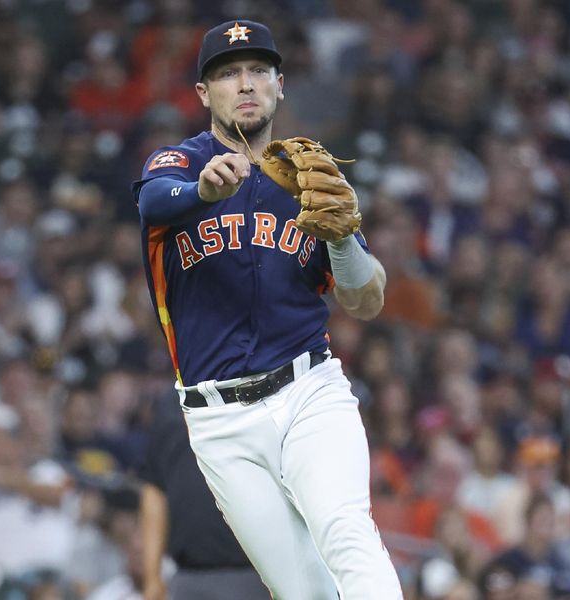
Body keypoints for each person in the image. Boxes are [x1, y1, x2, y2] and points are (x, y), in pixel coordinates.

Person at [131, 19, 402, 598]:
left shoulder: (308, 177)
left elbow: (367, 298)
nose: (245, 83)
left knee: (345, 530)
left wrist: (343, 236)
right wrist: (203, 191)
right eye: (227, 74)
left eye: (257, 70)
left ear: (280, 85)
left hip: (309, 392)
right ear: (205, 95)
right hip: (218, 420)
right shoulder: (176, 166)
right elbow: (153, 202)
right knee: (299, 591)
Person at [139, 394, 269, 600]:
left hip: (253, 573)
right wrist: (152, 576)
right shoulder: (168, 407)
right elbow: (155, 489)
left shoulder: (255, 391)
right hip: (187, 574)